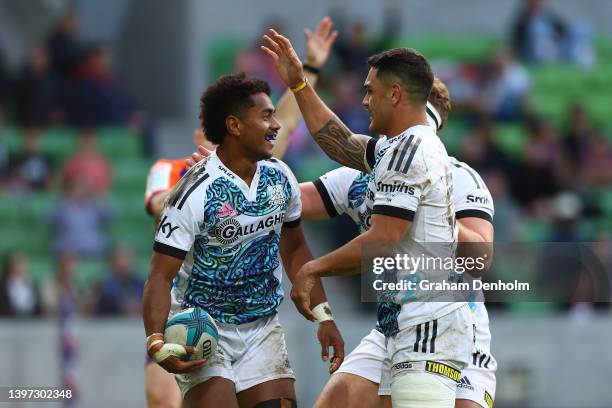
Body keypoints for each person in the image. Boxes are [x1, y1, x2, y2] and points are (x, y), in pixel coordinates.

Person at [190, 78, 497, 408]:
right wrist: (229, 176)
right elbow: (283, 201)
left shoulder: (458, 177)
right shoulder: (358, 178)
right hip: (391, 329)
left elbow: (479, 258)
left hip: (453, 335)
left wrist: (436, 211)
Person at [262, 32, 472, 407]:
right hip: (396, 321)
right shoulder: (397, 148)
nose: (364, 100)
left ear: (394, 94)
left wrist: (313, 269)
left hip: (427, 322)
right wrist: (297, 82)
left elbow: (384, 239)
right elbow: (339, 141)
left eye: (370, 91)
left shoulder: (411, 152)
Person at [143, 18, 339, 408]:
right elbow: (159, 262)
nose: (274, 127)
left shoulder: (276, 175)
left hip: (263, 327)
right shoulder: (185, 184)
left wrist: (324, 315)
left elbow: (296, 248)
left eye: (271, 117)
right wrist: (155, 340)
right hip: (201, 325)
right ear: (227, 128)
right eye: (263, 118)